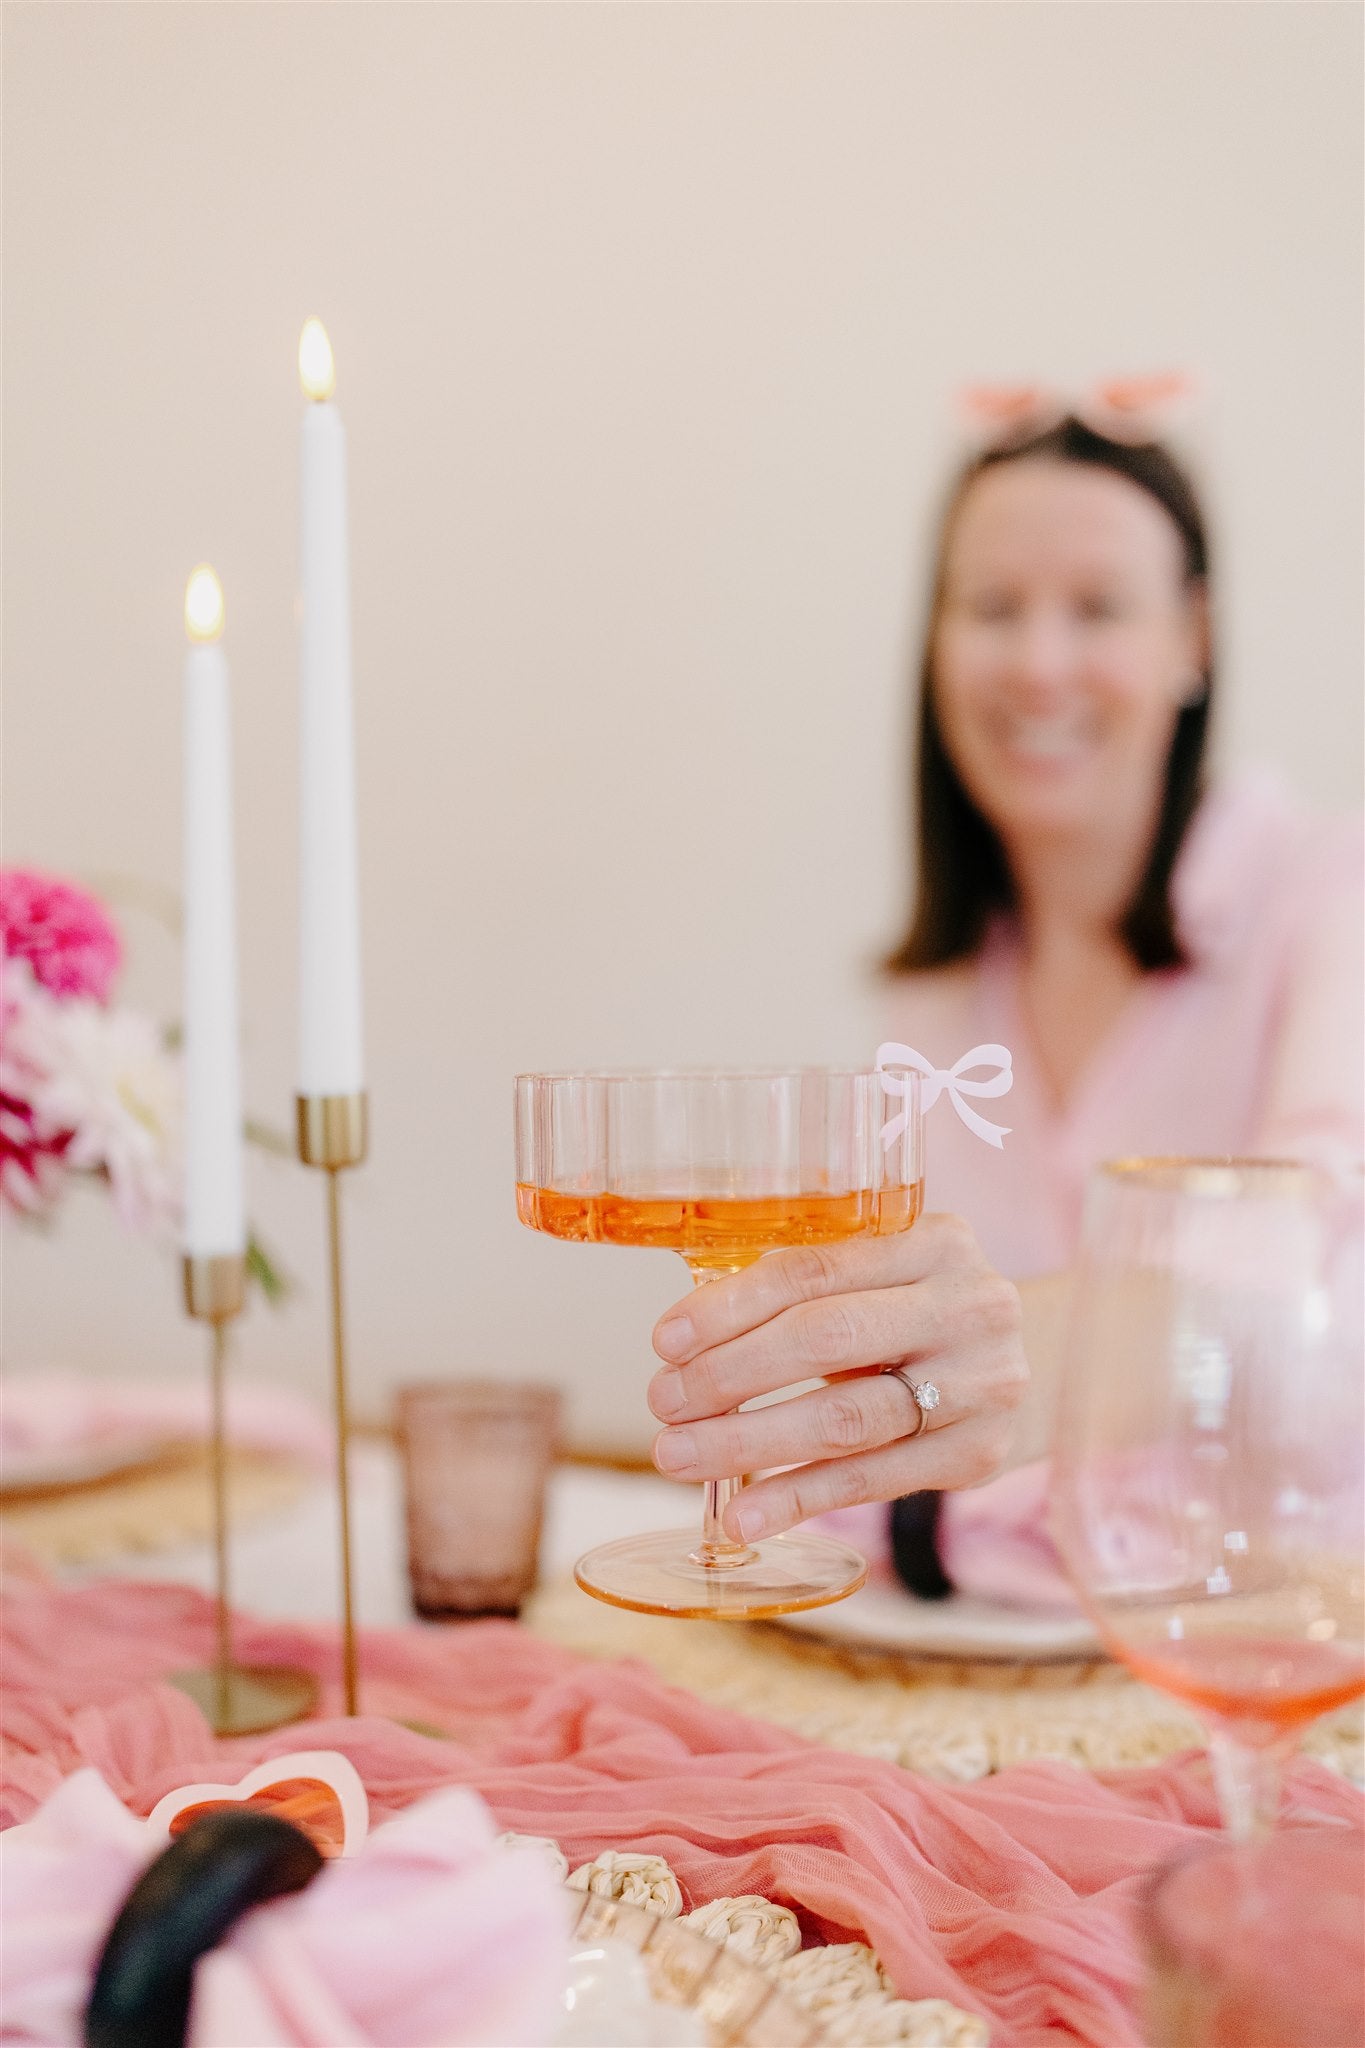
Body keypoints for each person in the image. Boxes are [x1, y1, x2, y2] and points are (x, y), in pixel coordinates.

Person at [646, 389, 1363, 1585]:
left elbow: (1322, 1264)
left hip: (1284, 1641)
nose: (1039, 663)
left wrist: (1019, 1359)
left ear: (1195, 636)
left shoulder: (1329, 889)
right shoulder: (938, 991)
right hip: (1000, 1634)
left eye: (1097, 608)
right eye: (992, 607)